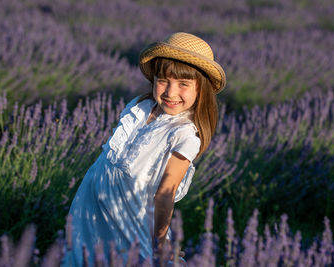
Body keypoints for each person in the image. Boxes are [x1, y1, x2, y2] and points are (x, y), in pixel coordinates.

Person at [61, 32, 226, 266]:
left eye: (183, 84)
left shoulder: (185, 135)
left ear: (201, 90)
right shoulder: (141, 107)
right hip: (92, 208)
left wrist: (160, 241)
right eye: (163, 81)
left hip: (128, 217)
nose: (170, 92)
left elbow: (165, 194)